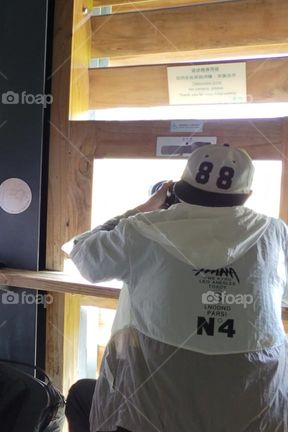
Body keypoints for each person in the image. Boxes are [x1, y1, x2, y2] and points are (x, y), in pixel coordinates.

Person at [65, 144, 288, 432]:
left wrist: (142, 209)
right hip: (258, 416)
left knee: (82, 396)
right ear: (247, 196)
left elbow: (84, 256)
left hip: (152, 419)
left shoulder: (142, 228)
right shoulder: (275, 233)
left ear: (176, 189)